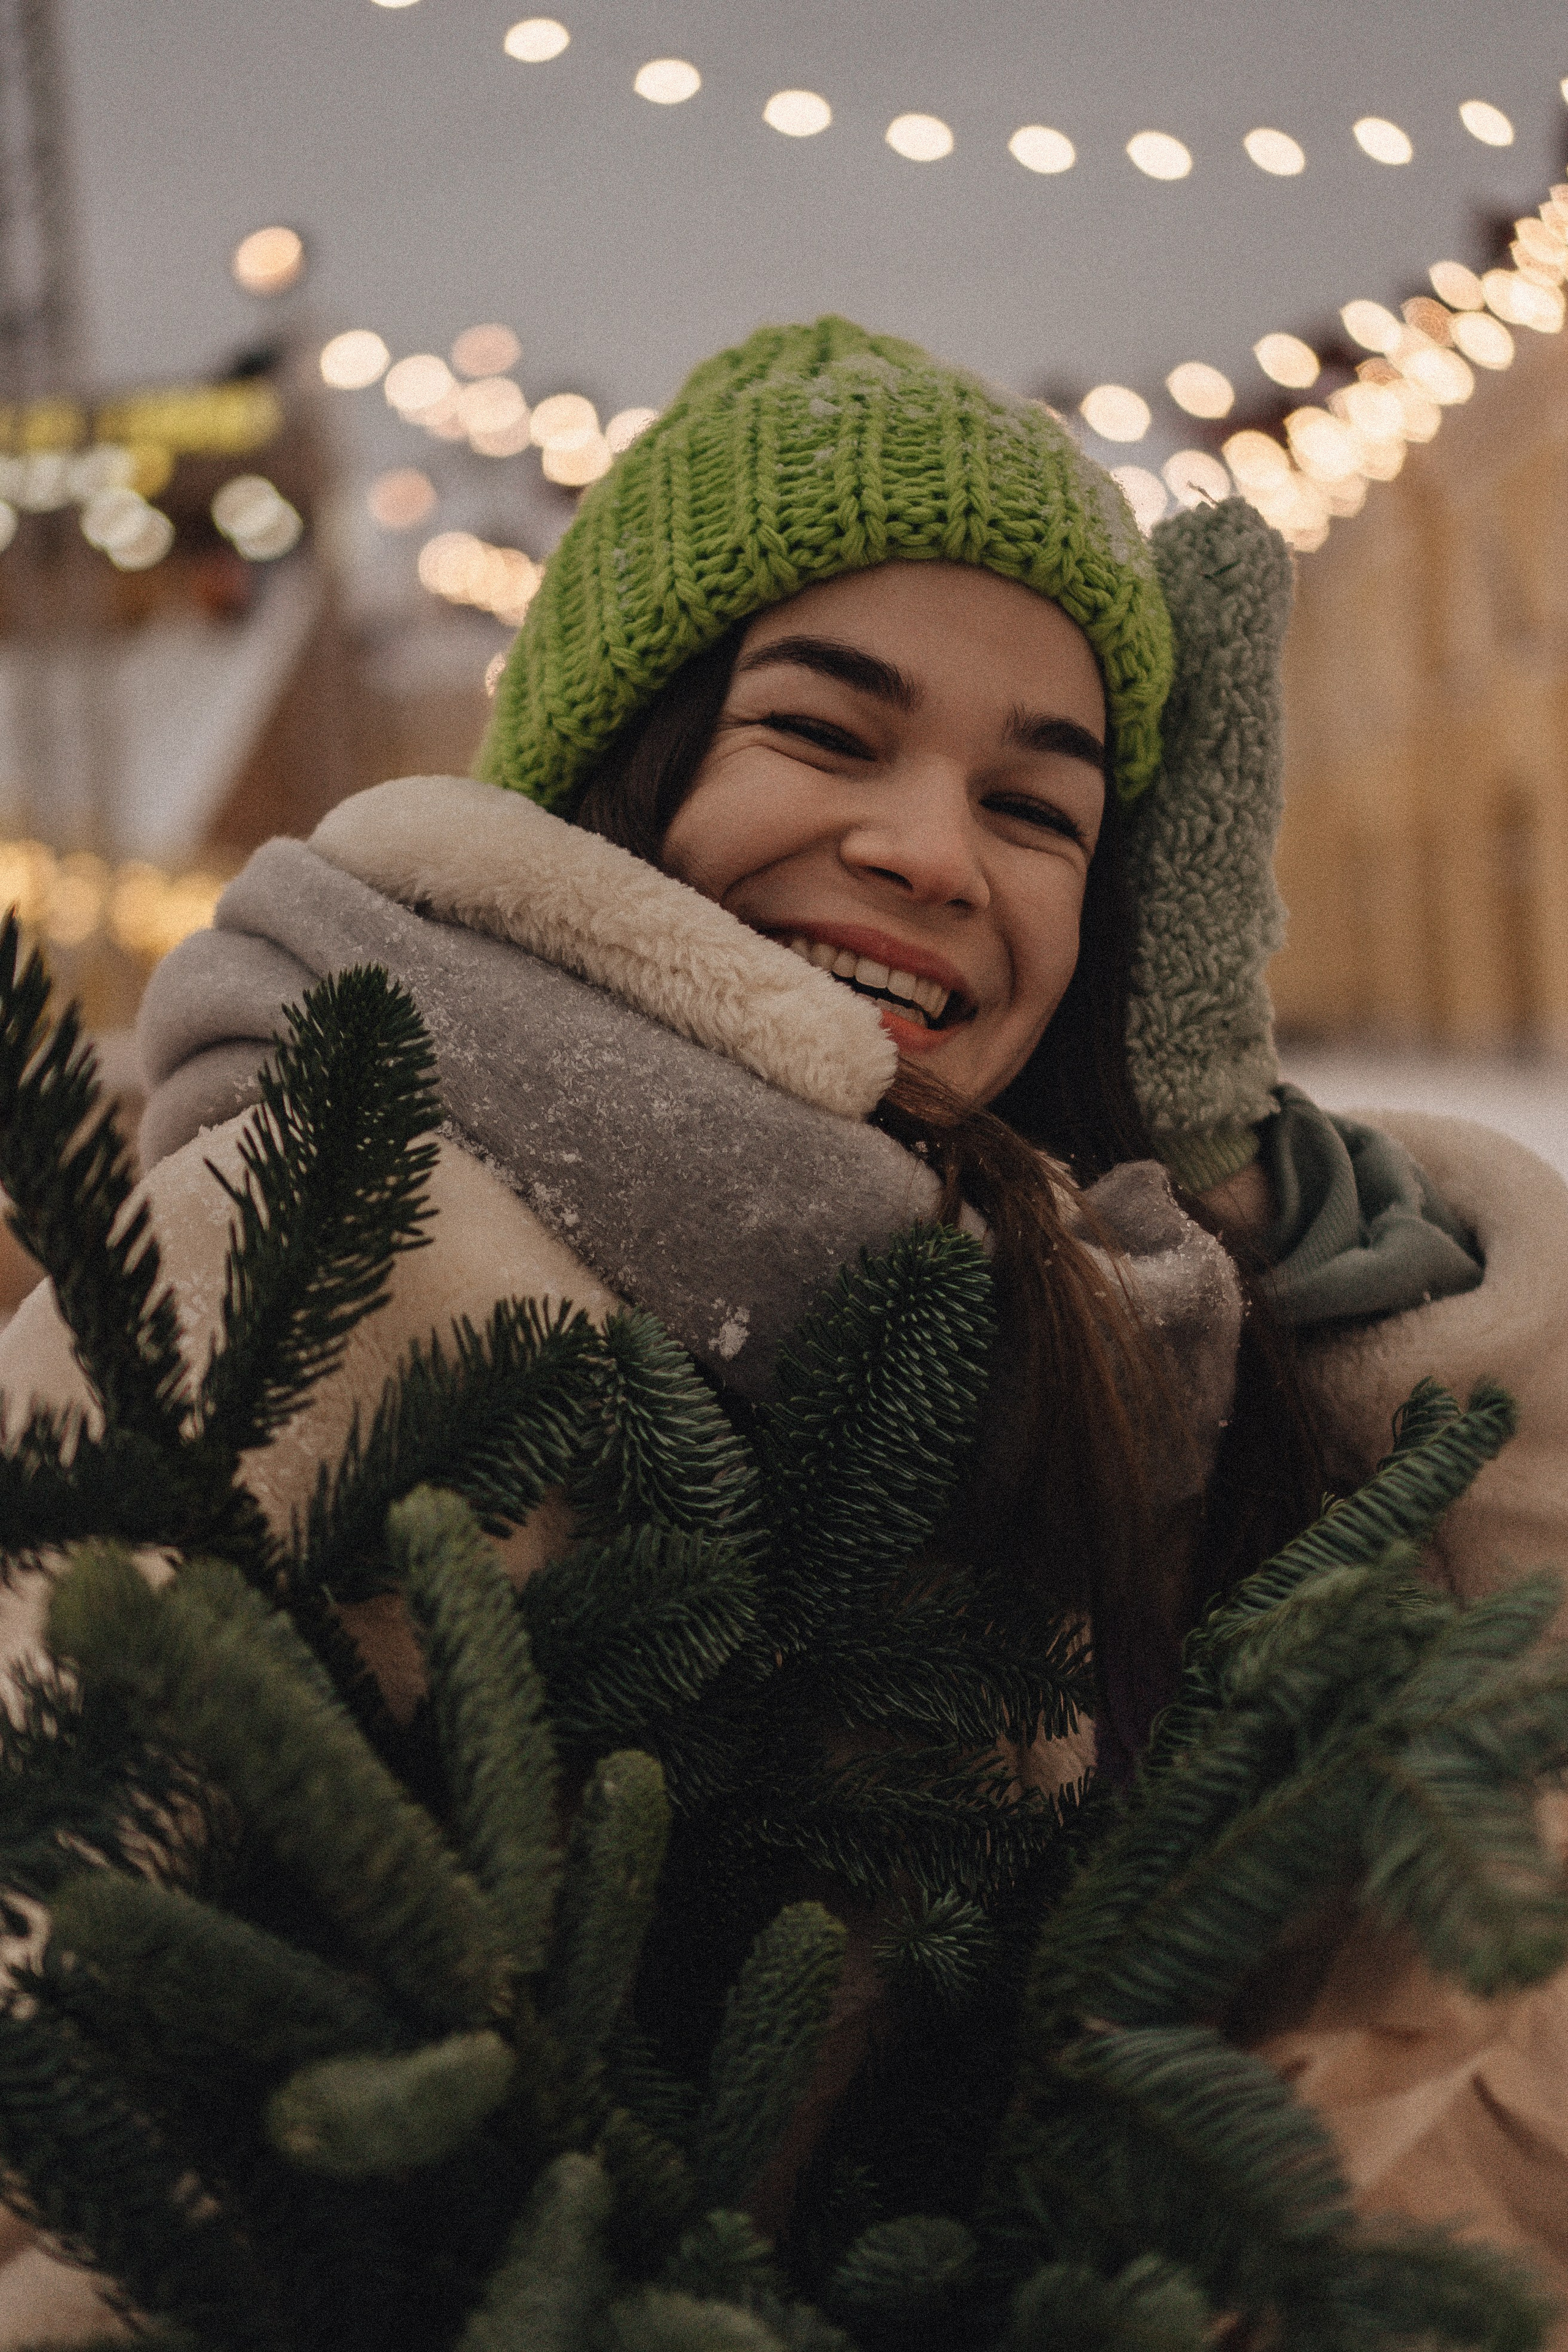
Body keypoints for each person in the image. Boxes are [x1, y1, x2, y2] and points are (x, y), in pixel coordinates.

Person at [2, 315, 1568, 2341]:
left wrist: (1281, 1226)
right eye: (826, 736)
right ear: (617, 768)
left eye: (1041, 807)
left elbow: (1484, 1909)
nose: (929, 850)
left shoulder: (1115, 1331)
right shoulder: (316, 1244)